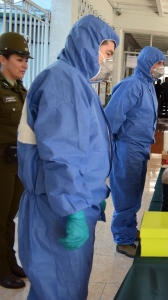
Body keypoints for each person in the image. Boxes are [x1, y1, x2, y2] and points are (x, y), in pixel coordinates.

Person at [17, 15, 119, 299]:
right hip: (58, 207)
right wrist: (73, 206)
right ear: (89, 45)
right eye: (107, 54)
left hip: (68, 199)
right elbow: (62, 154)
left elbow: (83, 146)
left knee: (62, 287)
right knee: (59, 289)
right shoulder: (63, 81)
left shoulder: (73, 79)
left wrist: (93, 191)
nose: (106, 61)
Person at [105, 46, 166, 258]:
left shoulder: (148, 86)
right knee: (125, 194)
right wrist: (110, 150)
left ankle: (129, 230)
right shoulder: (131, 86)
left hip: (140, 147)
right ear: (146, 63)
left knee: (134, 193)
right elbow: (111, 119)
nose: (160, 68)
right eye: (157, 63)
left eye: (162, 64)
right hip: (127, 147)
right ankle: (123, 240)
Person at [0, 32, 32, 289]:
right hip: (0, 163)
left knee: (10, 216)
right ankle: (1, 270)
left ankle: (10, 261)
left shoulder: (20, 89)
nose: (24, 64)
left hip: (16, 162)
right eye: (19, 59)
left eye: (25, 60)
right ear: (3, 58)